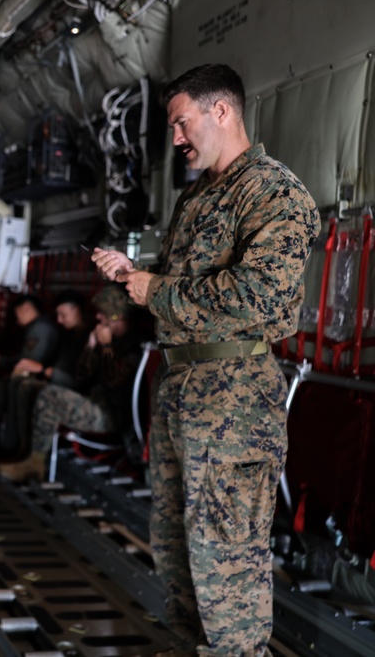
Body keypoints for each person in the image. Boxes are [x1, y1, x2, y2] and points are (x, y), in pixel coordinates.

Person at [93, 63, 320, 656]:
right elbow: (181, 286)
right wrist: (135, 275)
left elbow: (257, 295)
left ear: (221, 111)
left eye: (181, 123)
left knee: (228, 558)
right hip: (182, 388)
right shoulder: (196, 196)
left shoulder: (275, 193)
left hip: (235, 397)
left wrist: (156, 290)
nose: (176, 139)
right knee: (176, 547)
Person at [0, 286, 141, 482]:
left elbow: (113, 381)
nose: (98, 317)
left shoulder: (132, 347)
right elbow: (83, 374)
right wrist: (91, 347)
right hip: (94, 402)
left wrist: (106, 346)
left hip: (110, 414)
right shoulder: (109, 341)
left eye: (103, 314)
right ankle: (25, 452)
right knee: (29, 388)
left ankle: (35, 463)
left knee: (50, 395)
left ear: (117, 317)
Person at [0, 294, 59, 450]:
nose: (17, 319)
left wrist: (2, 361)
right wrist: (2, 360)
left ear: (27, 308)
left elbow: (27, 363)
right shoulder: (39, 327)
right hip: (34, 382)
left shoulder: (40, 328)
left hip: (34, 384)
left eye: (18, 314)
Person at [6, 289, 91, 453]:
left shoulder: (89, 339)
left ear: (77, 310)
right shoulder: (69, 336)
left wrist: (46, 371)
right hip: (58, 382)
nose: (59, 320)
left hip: (74, 391)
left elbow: (81, 381)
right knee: (24, 385)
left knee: (35, 389)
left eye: (63, 314)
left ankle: (33, 454)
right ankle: (22, 448)